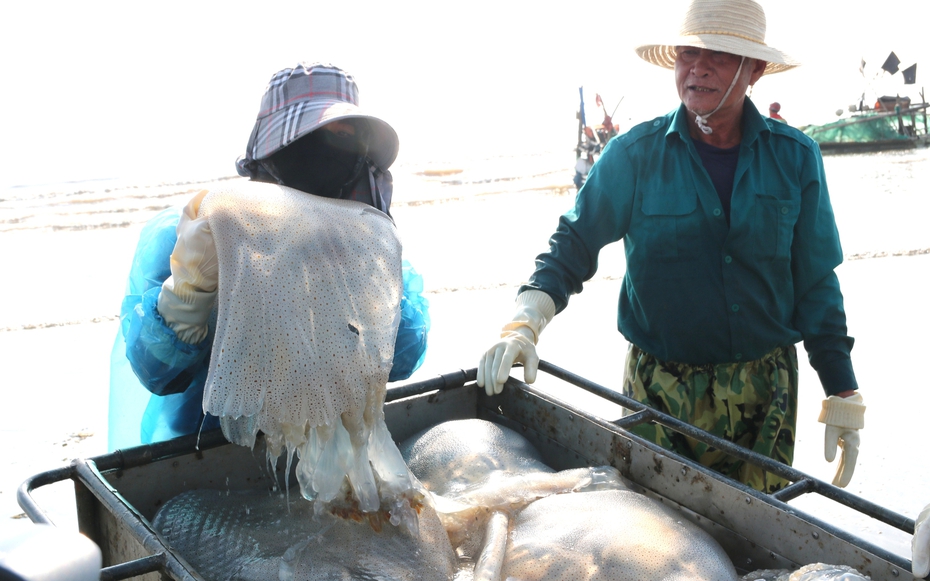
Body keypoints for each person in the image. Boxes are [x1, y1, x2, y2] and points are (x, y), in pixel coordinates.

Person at [477, 0, 865, 494]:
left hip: (766, 396)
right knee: (659, 545)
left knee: (754, 541)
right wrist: (524, 324)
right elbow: (571, 244)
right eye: (687, 53)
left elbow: (815, 282)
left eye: (719, 55)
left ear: (755, 70)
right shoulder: (633, 155)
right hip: (658, 393)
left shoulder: (795, 158)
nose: (697, 67)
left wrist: (842, 391)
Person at [108, 62, 430, 451]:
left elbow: (402, 359)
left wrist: (373, 282)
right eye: (312, 140)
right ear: (274, 150)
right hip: (205, 452)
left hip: (327, 449)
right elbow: (158, 374)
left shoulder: (366, 241)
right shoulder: (202, 230)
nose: (328, 156)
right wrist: (186, 300)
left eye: (344, 140)